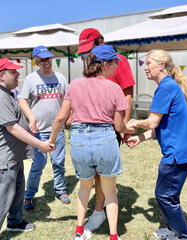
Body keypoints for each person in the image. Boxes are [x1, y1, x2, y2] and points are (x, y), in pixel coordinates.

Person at [49, 45, 135, 240]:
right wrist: (130, 129)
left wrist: (51, 140)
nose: (116, 66)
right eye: (114, 62)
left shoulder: (75, 84)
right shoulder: (114, 88)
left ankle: (79, 231)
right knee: (110, 191)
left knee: (84, 187)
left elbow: (61, 117)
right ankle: (114, 236)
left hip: (79, 141)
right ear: (104, 64)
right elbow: (119, 126)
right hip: (105, 139)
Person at [0, 58, 53, 240]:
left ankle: (15, 222)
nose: (18, 74)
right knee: (1, 198)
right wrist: (39, 144)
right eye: (14, 71)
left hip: (12, 156)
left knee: (17, 192)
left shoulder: (3, 93)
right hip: (3, 158)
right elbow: (13, 128)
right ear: (1, 76)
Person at [126, 50, 187, 240]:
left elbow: (151, 122)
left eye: (149, 63)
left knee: (164, 196)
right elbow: (163, 125)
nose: (145, 67)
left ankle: (186, 236)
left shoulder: (166, 87)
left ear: (162, 66)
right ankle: (172, 229)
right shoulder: (169, 86)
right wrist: (141, 138)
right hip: (185, 149)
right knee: (170, 195)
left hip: (177, 152)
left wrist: (132, 123)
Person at [76, 28, 135, 231]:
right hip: (87, 128)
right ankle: (98, 209)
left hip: (109, 126)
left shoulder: (118, 60)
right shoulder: (91, 60)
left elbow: (127, 93)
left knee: (102, 174)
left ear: (101, 41)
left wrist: (123, 128)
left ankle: (99, 210)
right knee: (90, 172)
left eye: (89, 48)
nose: (86, 55)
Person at [18, 45, 70, 210]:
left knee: (59, 162)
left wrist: (71, 116)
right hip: (38, 132)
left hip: (57, 130)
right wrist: (31, 118)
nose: (46, 63)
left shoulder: (61, 77)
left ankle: (60, 190)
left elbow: (69, 100)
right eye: (42, 60)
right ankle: (29, 194)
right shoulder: (31, 79)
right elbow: (22, 100)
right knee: (38, 164)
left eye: (48, 59)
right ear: (36, 62)